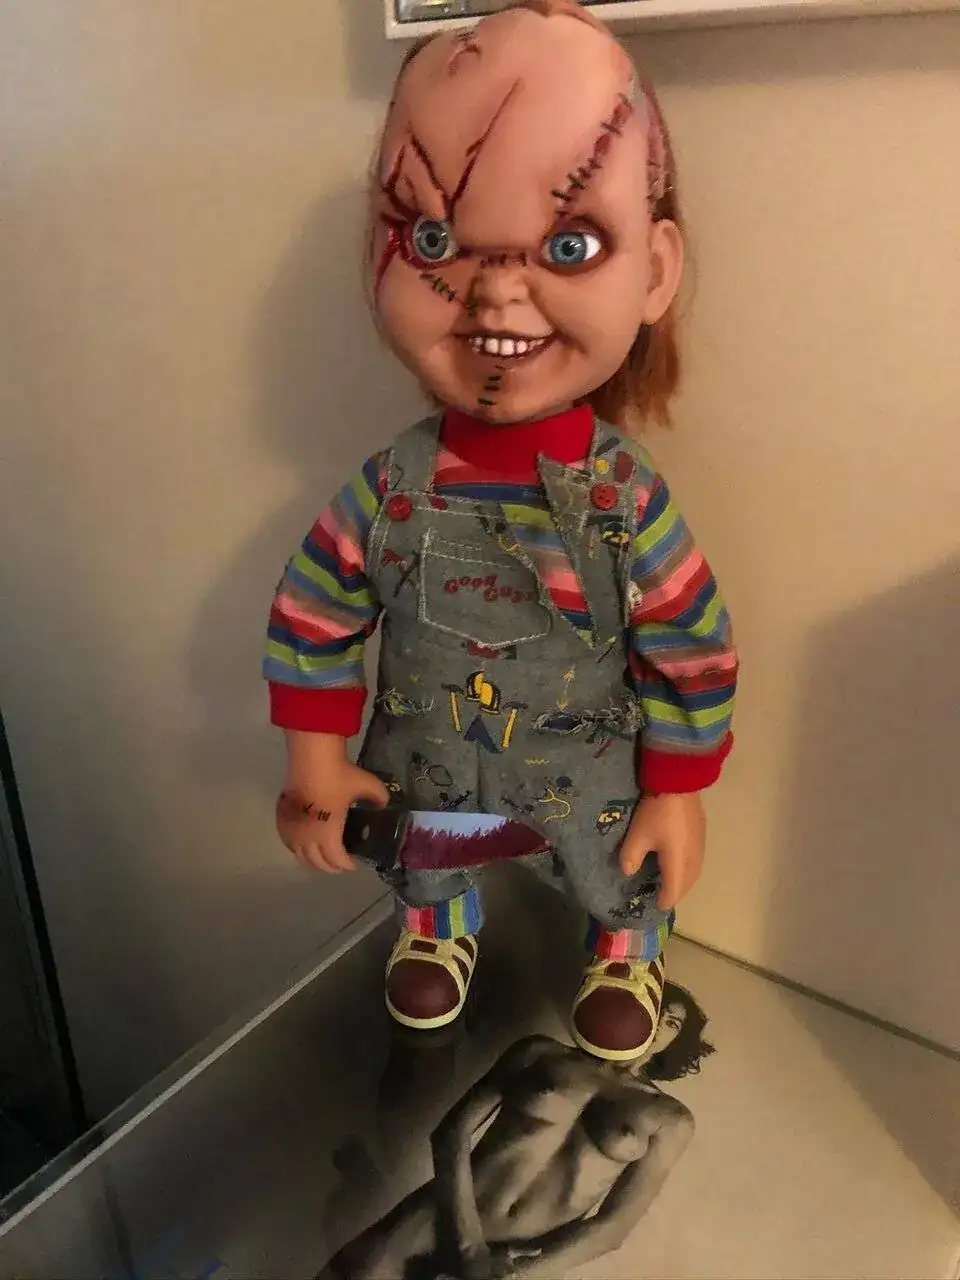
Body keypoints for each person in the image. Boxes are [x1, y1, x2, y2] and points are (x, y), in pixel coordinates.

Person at [265, 0, 739, 1061]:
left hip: (591, 777)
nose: (494, 293)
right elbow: (313, 614)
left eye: (571, 244)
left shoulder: (623, 498)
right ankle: (438, 920)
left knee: (617, 862)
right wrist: (314, 765)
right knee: (421, 843)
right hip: (429, 759)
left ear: (655, 269)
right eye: (434, 240)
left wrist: (678, 792)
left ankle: (625, 939)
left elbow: (690, 644)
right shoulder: (390, 486)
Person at [322, 1016, 709, 1280]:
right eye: (656, 1008)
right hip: (440, 1217)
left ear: (676, 1041)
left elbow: (613, 1228)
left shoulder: (670, 1118)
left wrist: (520, 1275)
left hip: (518, 1261)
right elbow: (451, 1134)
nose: (658, 1021)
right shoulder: (541, 1052)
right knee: (361, 1271)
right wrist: (469, 1247)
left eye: (672, 1023)